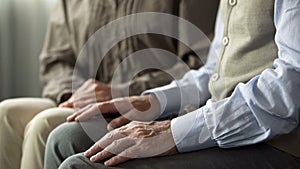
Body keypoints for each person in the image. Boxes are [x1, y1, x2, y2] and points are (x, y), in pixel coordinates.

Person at [45, 0, 300, 169]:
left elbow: (288, 90)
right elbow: (213, 70)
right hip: (220, 117)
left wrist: (174, 133)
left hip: (277, 142)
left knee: (79, 166)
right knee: (64, 138)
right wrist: (152, 100)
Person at [0, 0, 219, 169]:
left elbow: (202, 64)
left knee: (44, 124)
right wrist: (72, 95)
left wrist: (122, 91)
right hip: (79, 99)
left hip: (144, 102)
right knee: (7, 114)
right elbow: (56, 59)